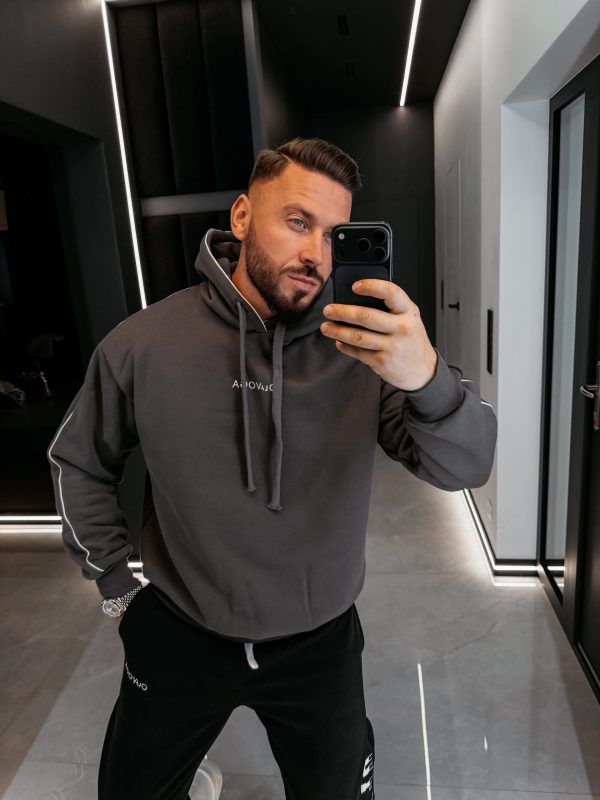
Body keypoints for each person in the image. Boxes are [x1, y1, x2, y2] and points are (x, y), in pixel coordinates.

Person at [47, 137, 497, 800]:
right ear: (241, 217)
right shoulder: (143, 343)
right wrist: (117, 590)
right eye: (297, 222)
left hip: (319, 645)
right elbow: (78, 461)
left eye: (335, 235)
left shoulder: (367, 350)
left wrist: (427, 379)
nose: (316, 254)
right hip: (179, 631)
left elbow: (467, 466)